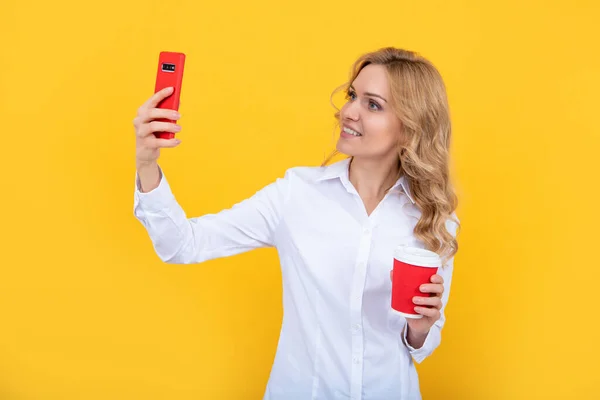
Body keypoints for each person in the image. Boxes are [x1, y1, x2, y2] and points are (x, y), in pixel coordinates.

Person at [132, 47, 460, 400]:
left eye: (373, 104)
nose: (348, 112)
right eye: (352, 95)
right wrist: (146, 163)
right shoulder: (297, 195)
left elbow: (422, 344)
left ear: (410, 129)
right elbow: (183, 244)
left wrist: (421, 329)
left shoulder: (433, 218)